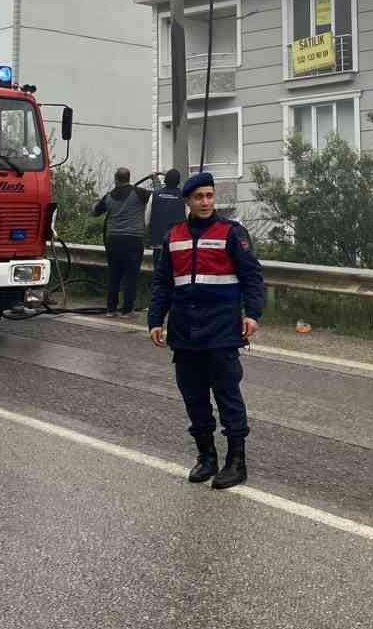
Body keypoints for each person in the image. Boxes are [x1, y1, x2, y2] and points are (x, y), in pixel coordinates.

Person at [148, 171, 263, 490]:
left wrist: (252, 314)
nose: (205, 202)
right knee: (194, 398)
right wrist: (156, 319)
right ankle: (206, 457)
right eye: (199, 197)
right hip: (185, 333)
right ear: (187, 201)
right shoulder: (174, 236)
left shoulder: (231, 232)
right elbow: (162, 283)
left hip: (222, 330)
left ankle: (236, 463)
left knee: (227, 395)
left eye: (210, 196)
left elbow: (252, 276)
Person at [94, 168, 151, 316]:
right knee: (131, 276)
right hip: (133, 240)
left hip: (114, 241)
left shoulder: (108, 197)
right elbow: (155, 197)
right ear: (129, 178)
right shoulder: (139, 193)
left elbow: (95, 212)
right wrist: (156, 180)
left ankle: (111, 309)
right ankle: (127, 310)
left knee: (114, 275)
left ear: (115, 179)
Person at [148, 168, 186, 272]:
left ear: (165, 180)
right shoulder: (184, 197)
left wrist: (155, 180)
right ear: (178, 182)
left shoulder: (155, 195)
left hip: (158, 242)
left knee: (159, 275)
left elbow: (147, 219)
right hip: (178, 244)